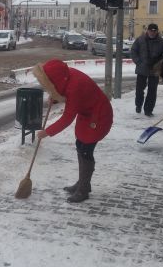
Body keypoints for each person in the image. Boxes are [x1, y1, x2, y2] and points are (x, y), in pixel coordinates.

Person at [33, 59, 113, 203]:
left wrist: (47, 132)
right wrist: (56, 97)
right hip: (87, 114)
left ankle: (83, 190)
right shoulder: (67, 76)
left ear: (55, 80)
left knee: (85, 149)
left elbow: (67, 118)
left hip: (99, 116)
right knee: (80, 145)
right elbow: (63, 92)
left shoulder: (74, 86)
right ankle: (83, 183)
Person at [130, 23, 163, 117]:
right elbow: (133, 51)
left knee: (152, 91)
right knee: (139, 89)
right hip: (142, 68)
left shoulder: (162, 42)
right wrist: (138, 62)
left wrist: (159, 64)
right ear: (147, 30)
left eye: (154, 31)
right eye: (151, 30)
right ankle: (138, 105)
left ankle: (148, 110)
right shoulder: (140, 40)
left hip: (155, 70)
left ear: (157, 31)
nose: (152, 32)